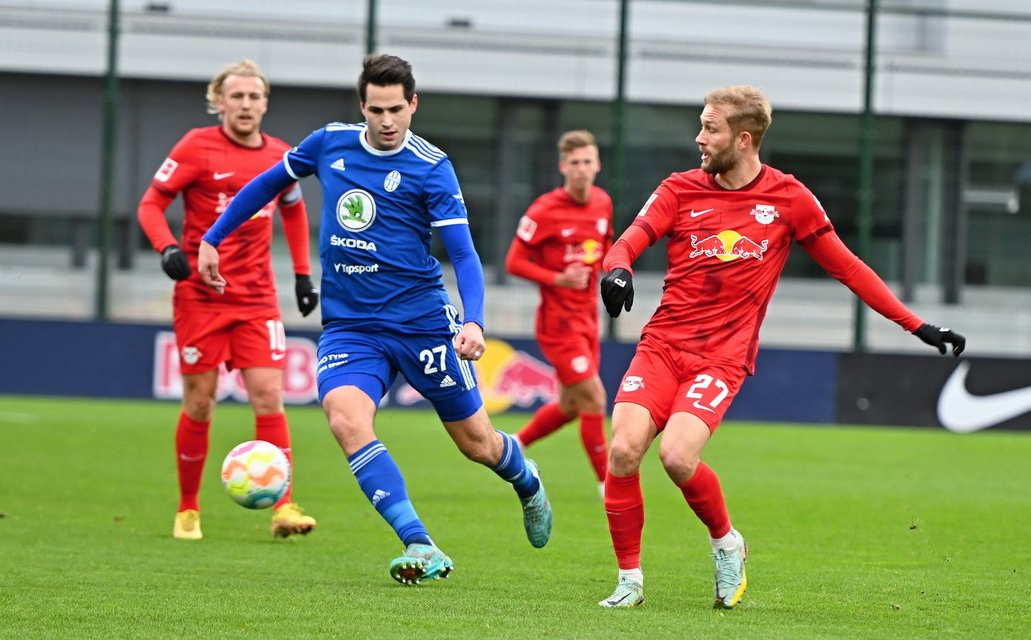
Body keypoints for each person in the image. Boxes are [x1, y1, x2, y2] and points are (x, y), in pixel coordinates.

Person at [596, 85, 966, 609]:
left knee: (678, 457)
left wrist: (917, 325)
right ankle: (630, 581)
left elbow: (850, 269)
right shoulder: (679, 189)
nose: (699, 138)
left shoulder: (788, 199)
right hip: (662, 345)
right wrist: (617, 267)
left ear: (743, 140)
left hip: (722, 357)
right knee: (624, 450)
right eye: (701, 125)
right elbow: (632, 236)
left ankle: (727, 543)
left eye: (710, 128)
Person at [196, 54, 553, 584]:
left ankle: (524, 476)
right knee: (345, 419)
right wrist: (212, 238)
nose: (387, 122)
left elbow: (464, 254)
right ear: (362, 107)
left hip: (423, 324)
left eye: (396, 110)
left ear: (413, 105)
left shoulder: (433, 167)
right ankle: (420, 542)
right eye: (376, 110)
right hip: (351, 326)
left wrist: (473, 322)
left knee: (477, 443)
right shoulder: (330, 143)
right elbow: (265, 186)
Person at [137, 59, 319, 541]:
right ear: (219, 101)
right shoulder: (196, 146)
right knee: (200, 402)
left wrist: (302, 275)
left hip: (257, 298)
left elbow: (295, 213)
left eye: (254, 97)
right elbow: (151, 204)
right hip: (200, 296)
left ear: (264, 104)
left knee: (268, 394)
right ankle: (188, 508)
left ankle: (283, 507)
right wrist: (168, 248)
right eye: (236, 96)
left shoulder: (281, 155)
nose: (245, 105)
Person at [505, 130, 613, 498]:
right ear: (563, 166)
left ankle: (514, 446)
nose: (582, 170)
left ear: (597, 164)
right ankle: (608, 483)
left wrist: (614, 271)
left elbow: (606, 246)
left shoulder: (602, 203)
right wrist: (558, 278)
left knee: (571, 405)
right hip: (558, 324)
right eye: (575, 163)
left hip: (588, 320)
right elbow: (514, 262)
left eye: (588, 162)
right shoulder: (544, 210)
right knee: (595, 399)